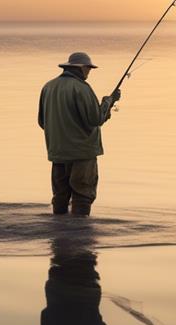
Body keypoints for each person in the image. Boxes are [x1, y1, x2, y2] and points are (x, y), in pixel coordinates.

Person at [37, 52, 120, 216]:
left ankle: (59, 234)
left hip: (57, 152)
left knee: (60, 195)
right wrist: (108, 102)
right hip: (82, 152)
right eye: (88, 69)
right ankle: (80, 235)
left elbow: (42, 122)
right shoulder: (81, 88)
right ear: (81, 68)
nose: (89, 72)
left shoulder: (48, 86)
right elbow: (95, 119)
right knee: (83, 194)